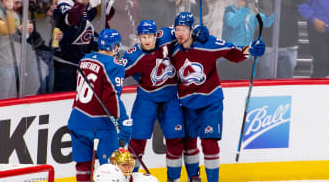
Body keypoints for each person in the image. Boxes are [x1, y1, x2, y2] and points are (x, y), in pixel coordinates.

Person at [170, 12, 265, 182]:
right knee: (189, 142)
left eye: (184, 29)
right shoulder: (173, 50)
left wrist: (251, 49)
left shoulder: (207, 44)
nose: (180, 33)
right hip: (186, 103)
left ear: (191, 30)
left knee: (209, 142)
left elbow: (233, 52)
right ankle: (194, 178)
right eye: (177, 29)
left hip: (210, 102)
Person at [67, 28, 132, 182]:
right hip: (100, 124)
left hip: (77, 120)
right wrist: (123, 121)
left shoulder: (84, 60)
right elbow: (112, 97)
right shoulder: (114, 65)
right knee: (110, 168)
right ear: (115, 47)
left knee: (83, 165)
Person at [123, 20, 184, 181]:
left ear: (156, 35)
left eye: (149, 36)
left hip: (170, 98)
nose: (146, 40)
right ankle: (131, 178)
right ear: (138, 38)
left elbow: (185, 30)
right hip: (146, 99)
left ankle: (174, 179)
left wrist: (199, 32)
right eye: (143, 37)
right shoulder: (133, 55)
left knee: (175, 140)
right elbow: (116, 73)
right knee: (136, 142)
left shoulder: (168, 36)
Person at [256, 0, 308, 79]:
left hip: (289, 46)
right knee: (265, 82)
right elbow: (273, 2)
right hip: (269, 46)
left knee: (285, 83)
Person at [52, 0, 100, 91]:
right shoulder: (65, 3)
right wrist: (79, 1)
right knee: (63, 97)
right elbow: (72, 20)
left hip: (83, 61)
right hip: (65, 63)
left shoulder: (91, 2)